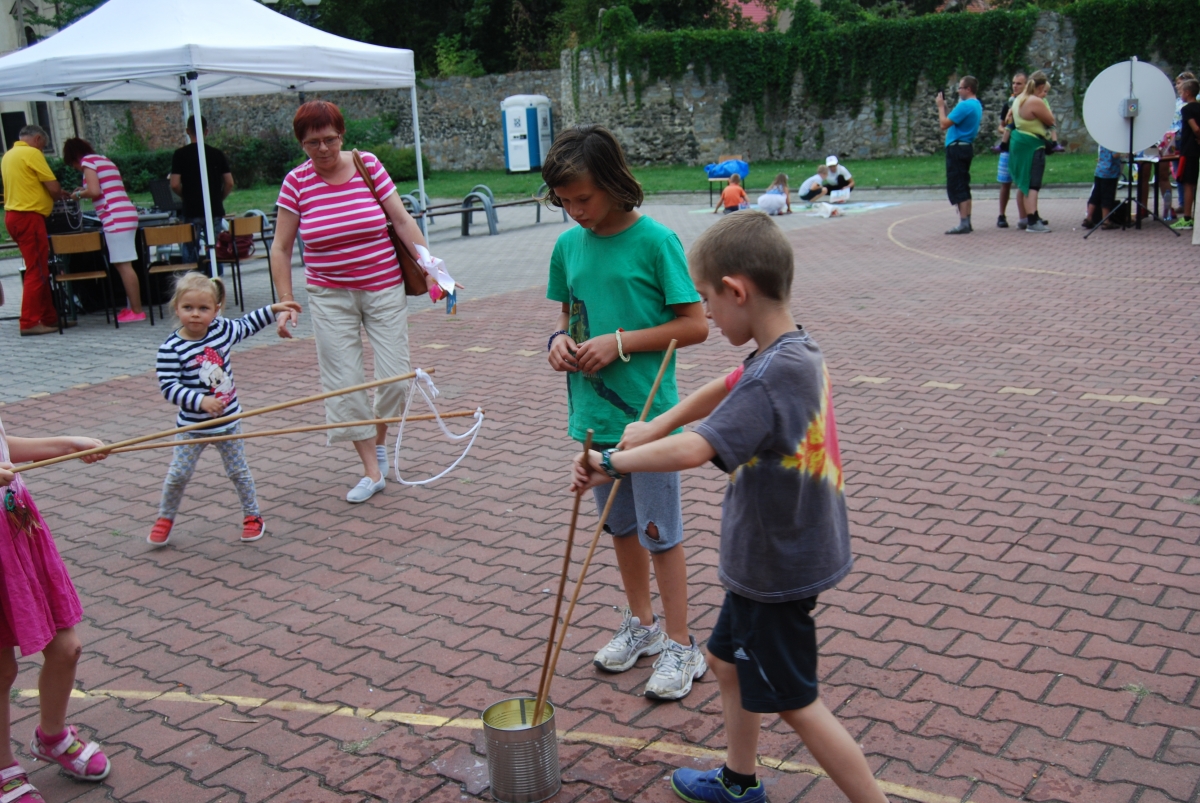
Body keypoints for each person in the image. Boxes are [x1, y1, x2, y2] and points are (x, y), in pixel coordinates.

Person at [571, 211, 887, 803]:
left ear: (737, 290)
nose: (707, 315)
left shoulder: (770, 377)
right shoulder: (792, 350)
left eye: (708, 300)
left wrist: (611, 462)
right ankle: (740, 783)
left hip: (778, 570)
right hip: (775, 558)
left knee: (797, 703)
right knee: (725, 663)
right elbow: (722, 387)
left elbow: (696, 449)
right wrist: (654, 424)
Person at [543, 125, 710, 700]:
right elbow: (569, 316)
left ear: (614, 183)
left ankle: (682, 644)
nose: (575, 211)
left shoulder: (656, 241)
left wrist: (620, 343)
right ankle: (643, 625)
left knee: (660, 532)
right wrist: (558, 343)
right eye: (563, 202)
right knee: (619, 528)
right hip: (594, 416)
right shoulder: (568, 247)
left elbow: (695, 325)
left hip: (649, 419)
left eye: (583, 198)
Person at [270, 100, 427, 504]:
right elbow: (281, 247)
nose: (323, 149)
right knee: (345, 382)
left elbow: (402, 220)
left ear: (342, 135)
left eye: (330, 139)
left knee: (394, 378)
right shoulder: (296, 183)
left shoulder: (367, 165)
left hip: (383, 287)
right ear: (301, 144)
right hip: (329, 295)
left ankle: (378, 439)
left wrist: (433, 269)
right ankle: (372, 471)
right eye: (312, 143)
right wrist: (285, 301)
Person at [0, 420, 113, 800]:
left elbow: (3, 445)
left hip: (15, 529)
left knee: (67, 648)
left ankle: (51, 737)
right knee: (1, 670)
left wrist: (67, 444)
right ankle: (2, 768)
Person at [150, 274, 300, 547]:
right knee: (178, 475)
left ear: (216, 310)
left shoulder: (221, 330)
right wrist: (200, 401)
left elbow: (247, 324)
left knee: (238, 472)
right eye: (188, 308)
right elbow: (169, 388)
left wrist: (273, 310)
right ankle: (165, 517)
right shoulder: (171, 349)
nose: (195, 314)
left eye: (203, 308)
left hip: (229, 422)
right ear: (176, 308)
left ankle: (253, 516)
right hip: (192, 427)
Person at [62, 138, 146, 323]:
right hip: (126, 212)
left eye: (72, 164)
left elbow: (94, 191)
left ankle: (137, 311)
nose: (76, 168)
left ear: (74, 157)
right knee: (125, 264)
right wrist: (84, 189)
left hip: (114, 216)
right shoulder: (104, 160)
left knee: (123, 265)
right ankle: (131, 307)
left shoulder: (87, 162)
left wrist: (77, 195)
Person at [1, 124, 70, 336]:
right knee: (37, 271)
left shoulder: (9, 155)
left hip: (13, 216)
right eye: (43, 146)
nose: (42, 150)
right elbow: (53, 187)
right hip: (29, 217)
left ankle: (49, 317)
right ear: (38, 139)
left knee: (41, 269)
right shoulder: (32, 153)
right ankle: (29, 322)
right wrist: (59, 194)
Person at [170, 116, 234, 265]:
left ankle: (192, 275)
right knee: (215, 248)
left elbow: (174, 184)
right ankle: (216, 275)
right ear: (206, 131)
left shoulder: (180, 154)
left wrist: (185, 195)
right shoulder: (217, 154)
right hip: (214, 208)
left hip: (191, 208)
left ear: (187, 131)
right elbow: (229, 182)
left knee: (190, 248)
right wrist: (219, 197)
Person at [1009, 70, 1055, 233]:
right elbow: (1051, 120)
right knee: (1032, 183)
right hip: (1032, 144)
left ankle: (1025, 218)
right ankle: (1032, 220)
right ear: (1041, 86)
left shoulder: (1019, 98)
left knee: (1023, 182)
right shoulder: (1035, 101)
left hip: (1019, 142)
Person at [936, 75, 982, 235]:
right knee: (964, 183)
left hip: (957, 148)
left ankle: (963, 223)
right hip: (965, 147)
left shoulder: (965, 105)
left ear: (968, 89)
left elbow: (944, 124)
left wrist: (940, 107)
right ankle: (966, 220)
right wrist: (946, 108)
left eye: (960, 88)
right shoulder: (976, 104)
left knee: (958, 184)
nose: (958, 91)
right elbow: (952, 120)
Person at [996, 71, 1027, 228]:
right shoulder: (1008, 104)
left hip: (1022, 149)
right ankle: (1001, 215)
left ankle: (1029, 214)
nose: (1015, 86)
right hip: (1008, 148)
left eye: (1019, 83)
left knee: (1024, 183)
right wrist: (1007, 131)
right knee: (1005, 182)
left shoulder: (1028, 104)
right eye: (1013, 83)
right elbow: (1000, 126)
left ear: (1026, 85)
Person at [1171, 78, 1200, 230]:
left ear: (1188, 93)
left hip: (1189, 150)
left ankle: (1187, 217)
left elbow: (1195, 128)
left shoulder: (1186, 110)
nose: (1180, 94)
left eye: (1181, 92)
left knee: (1188, 183)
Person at [1084, 146, 1123, 230]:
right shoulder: (1114, 142)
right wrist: (1123, 151)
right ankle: (1106, 221)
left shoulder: (1103, 141)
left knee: (1095, 195)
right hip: (1110, 173)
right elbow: (1115, 155)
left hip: (1099, 170)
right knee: (1107, 197)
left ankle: (1088, 218)